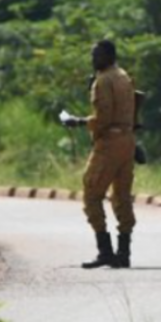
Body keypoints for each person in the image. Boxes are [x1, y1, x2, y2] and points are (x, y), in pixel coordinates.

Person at [63, 40, 137, 269]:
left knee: (92, 192)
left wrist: (77, 121)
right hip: (127, 140)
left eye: (97, 55)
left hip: (109, 144)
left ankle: (104, 250)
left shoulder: (103, 81)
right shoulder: (123, 76)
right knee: (122, 196)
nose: (93, 59)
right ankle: (123, 252)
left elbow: (103, 117)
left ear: (107, 56)